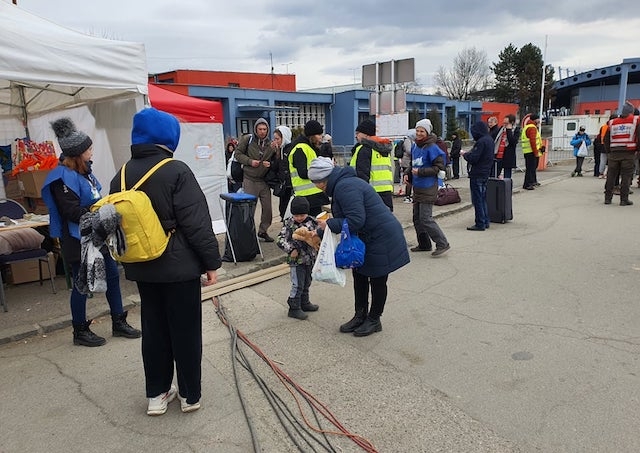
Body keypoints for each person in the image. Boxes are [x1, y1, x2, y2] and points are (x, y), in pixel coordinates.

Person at [111, 107, 221, 416]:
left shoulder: (119, 175)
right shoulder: (176, 170)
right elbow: (196, 223)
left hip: (143, 267)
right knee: (185, 331)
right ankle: (189, 395)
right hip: (180, 268)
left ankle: (156, 396)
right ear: (168, 137)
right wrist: (211, 262)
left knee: (154, 329)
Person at [41, 118, 141, 348]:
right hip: (77, 239)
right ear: (77, 154)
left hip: (97, 234)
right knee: (82, 285)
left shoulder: (84, 171)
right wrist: (104, 212)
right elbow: (71, 211)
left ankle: (119, 321)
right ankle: (80, 330)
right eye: (88, 149)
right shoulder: (61, 178)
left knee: (113, 277)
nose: (91, 151)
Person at [308, 157, 409, 337]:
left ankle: (374, 319)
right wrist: (322, 232)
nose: (317, 186)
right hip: (366, 237)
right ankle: (359, 315)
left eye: (317, 182)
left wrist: (329, 224)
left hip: (381, 237)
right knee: (360, 275)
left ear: (325, 179)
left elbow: (355, 220)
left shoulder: (345, 187)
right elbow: (348, 218)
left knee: (377, 279)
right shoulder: (342, 184)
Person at [405, 119, 450, 256]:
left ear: (427, 132)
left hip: (429, 187)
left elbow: (439, 168)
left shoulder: (433, 148)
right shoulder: (415, 146)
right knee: (417, 218)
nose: (418, 133)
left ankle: (442, 243)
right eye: (417, 130)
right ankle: (424, 244)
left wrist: (420, 172)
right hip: (417, 187)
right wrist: (408, 174)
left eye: (422, 131)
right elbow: (413, 164)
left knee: (426, 218)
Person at [276, 196, 319, 320]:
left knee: (307, 281)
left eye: (302, 215)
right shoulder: (289, 223)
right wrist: (291, 249)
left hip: (310, 258)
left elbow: (317, 237)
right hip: (296, 260)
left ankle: (304, 303)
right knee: (297, 284)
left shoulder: (312, 222)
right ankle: (294, 307)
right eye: (296, 215)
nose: (299, 218)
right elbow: (280, 239)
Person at [234, 118, 276, 242]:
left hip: (263, 180)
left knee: (267, 208)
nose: (262, 132)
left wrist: (274, 155)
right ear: (256, 129)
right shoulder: (248, 140)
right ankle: (248, 232)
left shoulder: (270, 143)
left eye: (265, 129)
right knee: (249, 208)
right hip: (249, 178)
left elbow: (275, 160)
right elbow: (237, 154)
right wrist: (250, 161)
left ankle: (263, 231)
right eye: (260, 129)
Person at [350, 119, 394, 211]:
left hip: (370, 193)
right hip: (386, 193)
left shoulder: (364, 149)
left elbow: (362, 174)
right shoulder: (384, 148)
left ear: (366, 135)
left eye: (358, 133)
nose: (356, 136)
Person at [288, 120, 330, 216]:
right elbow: (302, 173)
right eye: (318, 135)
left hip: (314, 195)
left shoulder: (309, 147)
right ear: (312, 135)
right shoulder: (300, 148)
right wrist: (322, 172)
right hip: (306, 197)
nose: (321, 137)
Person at [604, 101, 639, 206]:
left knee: (611, 176)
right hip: (628, 153)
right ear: (630, 112)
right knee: (626, 176)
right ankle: (624, 199)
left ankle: (607, 198)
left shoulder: (612, 122)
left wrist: (609, 152)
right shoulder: (635, 120)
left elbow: (606, 139)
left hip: (614, 153)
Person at [462, 121, 494, 231]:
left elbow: (474, 158)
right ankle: (485, 220)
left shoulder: (481, 142)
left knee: (477, 199)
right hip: (485, 172)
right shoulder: (489, 140)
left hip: (477, 173)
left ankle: (480, 222)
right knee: (483, 198)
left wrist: (465, 154)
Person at [272, 125, 294, 221]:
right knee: (282, 210)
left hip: (290, 186)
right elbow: (276, 167)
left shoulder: (290, 149)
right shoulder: (280, 150)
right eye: (274, 139)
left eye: (277, 139)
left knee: (288, 210)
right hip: (283, 187)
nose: (275, 141)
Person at [520, 113, 543, 190]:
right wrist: (536, 152)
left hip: (529, 151)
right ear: (535, 120)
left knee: (532, 168)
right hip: (531, 152)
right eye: (538, 119)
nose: (539, 121)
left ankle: (533, 181)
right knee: (530, 168)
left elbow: (536, 140)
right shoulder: (532, 128)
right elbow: (532, 141)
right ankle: (527, 184)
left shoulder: (528, 127)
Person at [492, 114, 518, 179]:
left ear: (512, 123)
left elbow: (513, 141)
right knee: (494, 174)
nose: (505, 125)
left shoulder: (515, 130)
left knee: (507, 176)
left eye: (506, 123)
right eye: (504, 123)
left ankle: (507, 188)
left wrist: (509, 130)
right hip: (498, 155)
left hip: (508, 156)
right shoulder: (501, 129)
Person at [401, 129, 416, 202]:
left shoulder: (412, 140)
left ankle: (410, 195)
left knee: (412, 180)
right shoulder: (407, 140)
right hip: (407, 162)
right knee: (409, 180)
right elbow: (408, 150)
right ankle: (407, 196)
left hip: (410, 161)